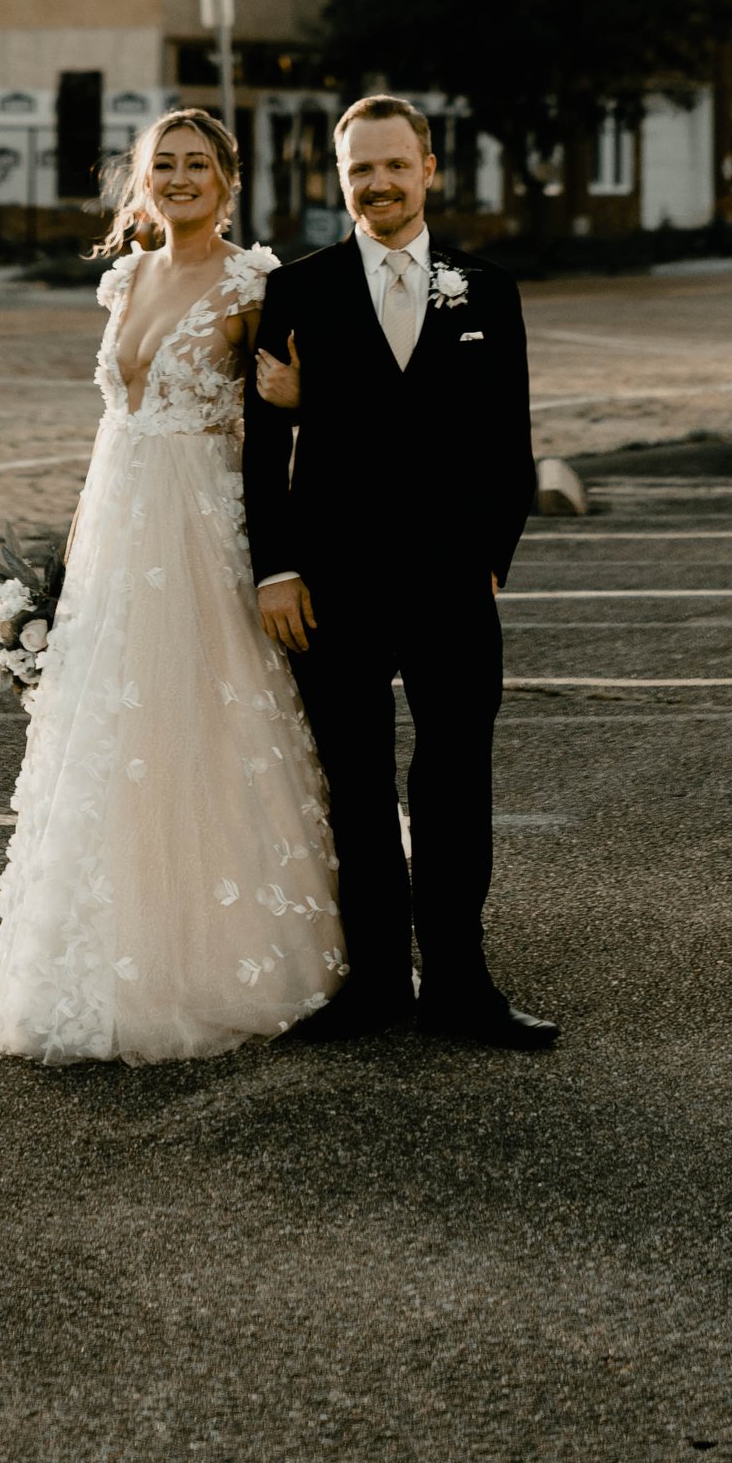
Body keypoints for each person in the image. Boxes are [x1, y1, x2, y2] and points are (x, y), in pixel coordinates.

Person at [0, 108, 343, 1063]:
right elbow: (116, 425)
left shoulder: (255, 284)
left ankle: (212, 955)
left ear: (227, 179)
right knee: (111, 738)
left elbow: (293, 425)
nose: (179, 179)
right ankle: (99, 948)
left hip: (205, 531)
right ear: (142, 183)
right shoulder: (122, 278)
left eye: (197, 165)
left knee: (199, 727)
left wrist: (296, 432)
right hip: (120, 533)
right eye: (162, 166)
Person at [243, 94, 552, 1049]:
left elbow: (509, 445)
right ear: (338, 181)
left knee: (457, 780)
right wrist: (276, 570)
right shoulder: (297, 290)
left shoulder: (485, 290)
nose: (377, 183)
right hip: (331, 584)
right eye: (358, 170)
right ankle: (375, 982)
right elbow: (262, 450)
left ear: (429, 169)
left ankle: (461, 983)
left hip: (454, 582)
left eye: (394, 165)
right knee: (357, 784)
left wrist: (491, 562)